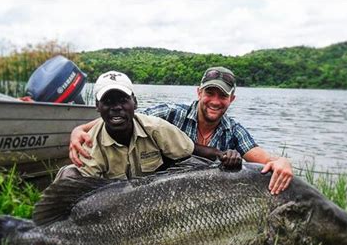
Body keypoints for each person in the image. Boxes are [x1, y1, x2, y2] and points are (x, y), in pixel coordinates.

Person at [69, 67, 293, 193]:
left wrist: (281, 161)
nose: (215, 101)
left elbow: (261, 157)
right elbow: (124, 115)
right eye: (210, 93)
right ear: (199, 93)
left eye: (222, 95)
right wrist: (79, 129)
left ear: (231, 99)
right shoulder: (169, 114)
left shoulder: (234, 130)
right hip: (160, 193)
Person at [56, 70, 241, 181]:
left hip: (152, 199)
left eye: (122, 100)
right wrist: (78, 130)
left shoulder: (155, 126)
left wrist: (222, 154)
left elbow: (192, 149)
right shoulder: (90, 143)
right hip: (111, 203)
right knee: (69, 174)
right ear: (97, 107)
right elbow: (85, 188)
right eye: (108, 101)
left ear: (134, 104)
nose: (117, 107)